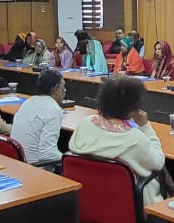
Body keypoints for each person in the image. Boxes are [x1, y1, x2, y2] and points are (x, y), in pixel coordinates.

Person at [69, 75, 166, 204]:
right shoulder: (134, 138)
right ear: (133, 108)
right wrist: (145, 127)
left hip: (88, 202)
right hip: (130, 205)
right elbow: (158, 162)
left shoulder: (85, 123)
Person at [11, 70, 65, 168]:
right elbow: (47, 154)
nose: (65, 90)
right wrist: (69, 161)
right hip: (36, 167)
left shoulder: (27, 102)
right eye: (63, 87)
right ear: (56, 89)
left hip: (18, 162)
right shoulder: (54, 109)